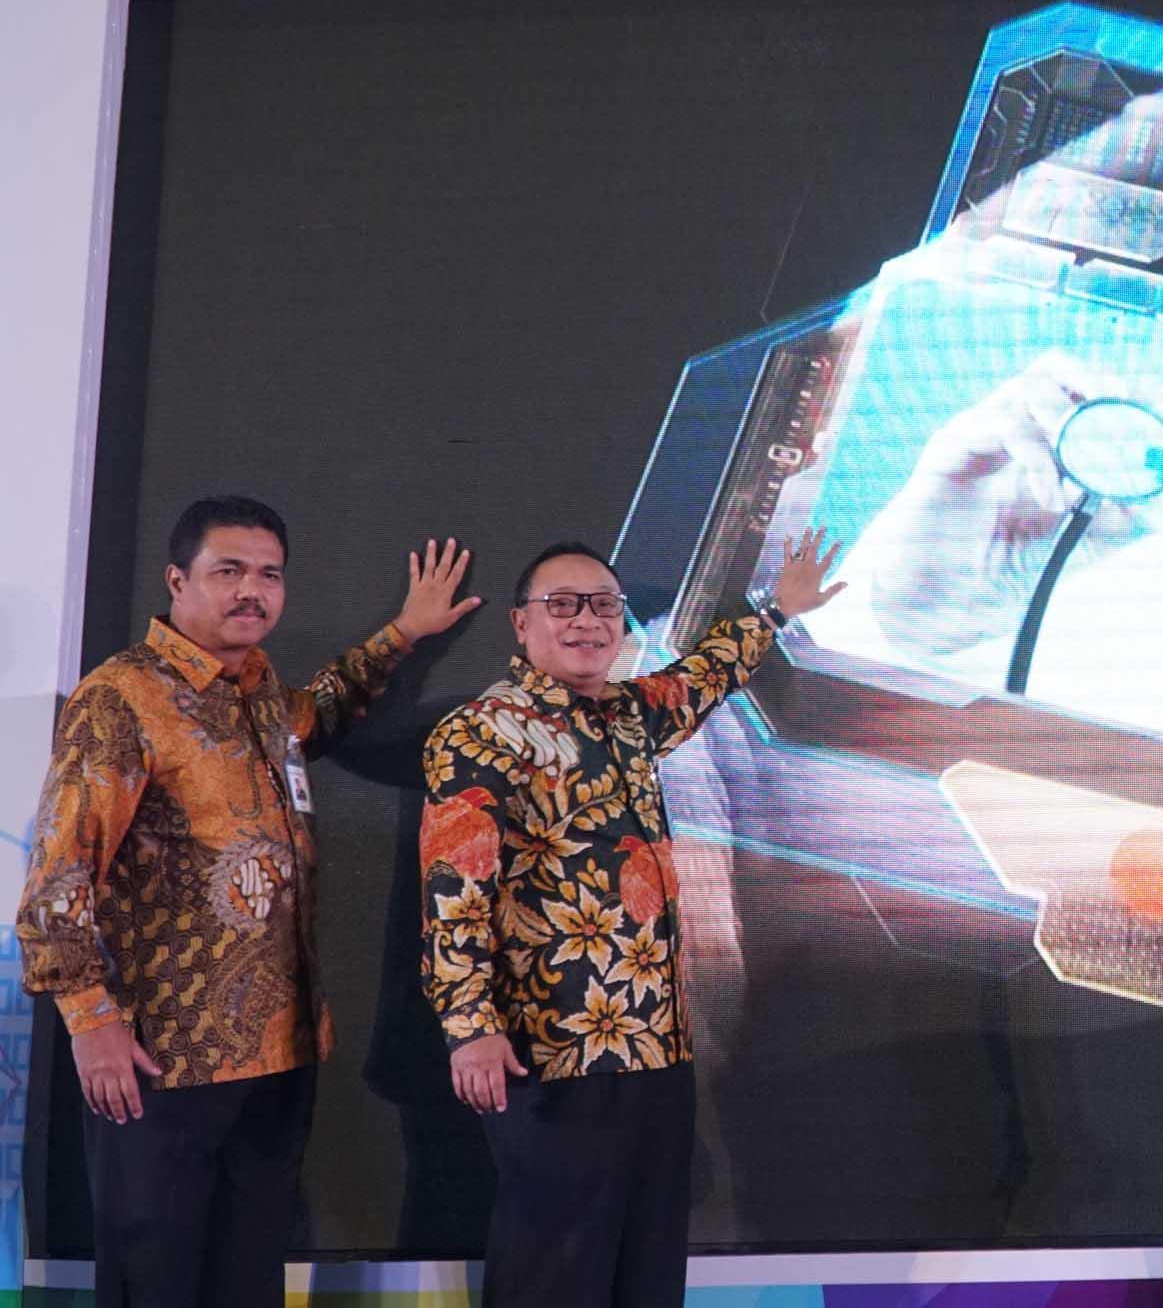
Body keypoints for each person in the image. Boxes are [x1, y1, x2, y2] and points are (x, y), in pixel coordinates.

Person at [16, 495, 480, 1307]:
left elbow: (321, 714)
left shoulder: (261, 692)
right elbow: (59, 871)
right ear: (177, 580)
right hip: (163, 1056)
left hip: (278, 1052)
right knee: (156, 1277)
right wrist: (91, 1022)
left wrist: (404, 632)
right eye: (228, 571)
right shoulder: (124, 696)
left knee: (249, 1275)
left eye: (269, 575)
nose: (251, 591)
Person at [417, 527, 844, 1308]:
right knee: (556, 1270)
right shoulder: (482, 731)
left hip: (656, 1051)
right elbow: (455, 889)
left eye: (604, 605)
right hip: (553, 1050)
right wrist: (470, 1024)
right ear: (521, 623)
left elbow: (702, 676)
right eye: (564, 605)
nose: (587, 620)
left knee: (645, 1270)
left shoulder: (629, 716)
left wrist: (776, 612)